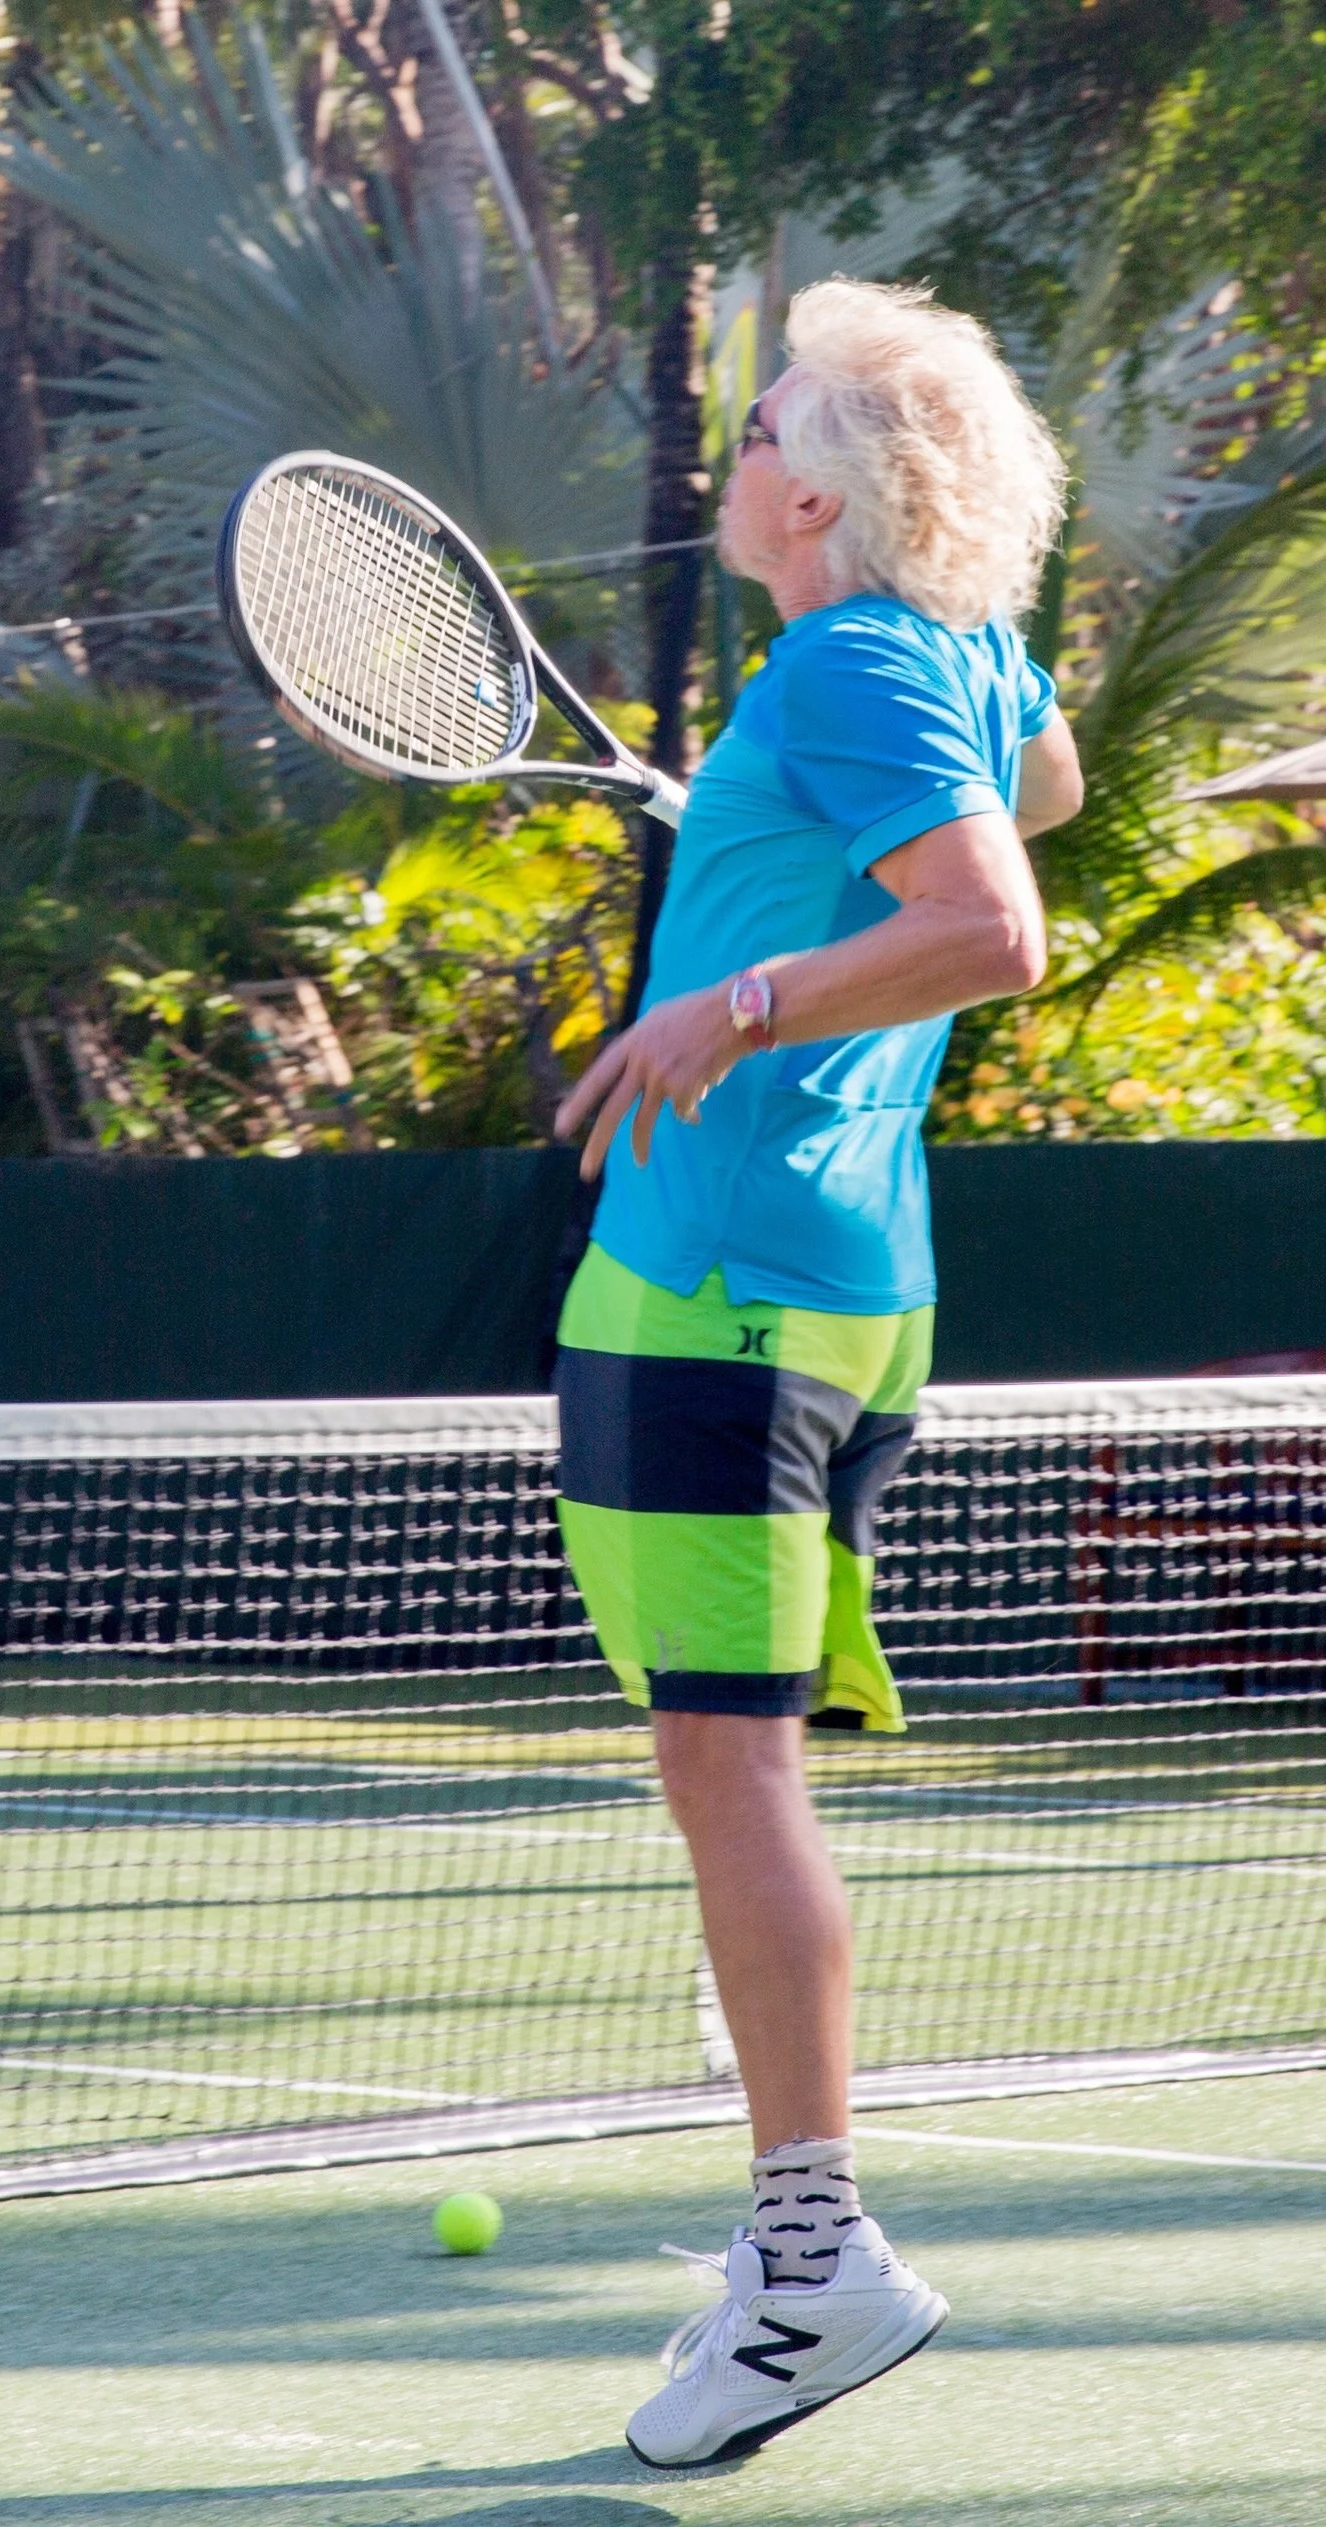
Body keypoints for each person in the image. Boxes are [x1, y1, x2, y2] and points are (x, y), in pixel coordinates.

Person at [549, 281, 1081, 2469]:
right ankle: (793, 2227)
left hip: (711, 1283)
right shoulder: (938, 660)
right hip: (852, 1295)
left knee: (723, 1765)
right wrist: (780, 816)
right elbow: (1031, 787)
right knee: (734, 1757)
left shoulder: (852, 655)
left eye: (760, 425)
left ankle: (806, 2258)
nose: (731, 456)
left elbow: (989, 922)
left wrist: (735, 993)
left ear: (826, 488)